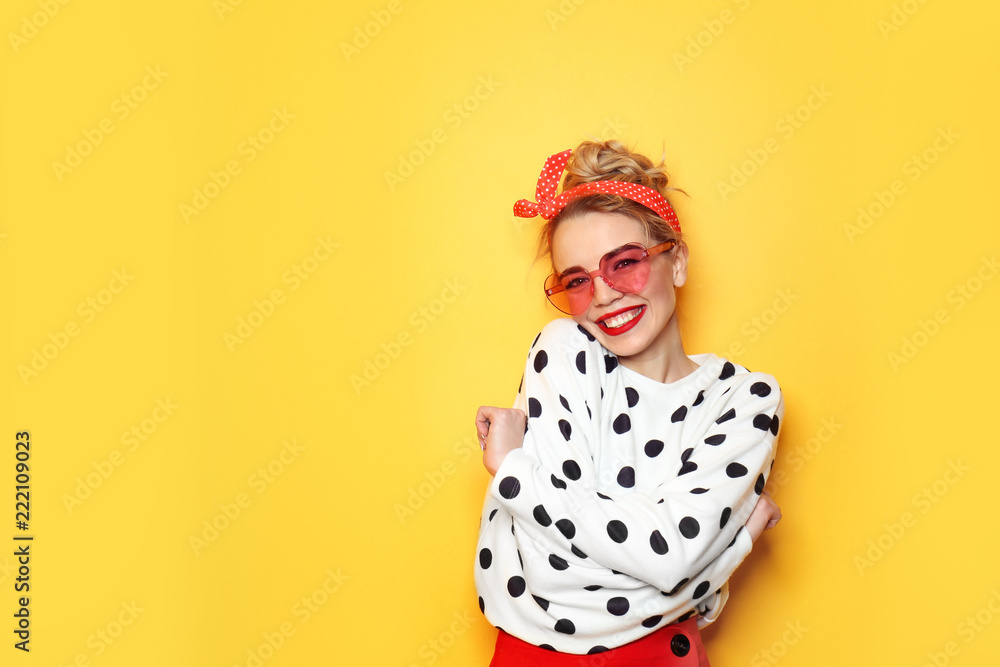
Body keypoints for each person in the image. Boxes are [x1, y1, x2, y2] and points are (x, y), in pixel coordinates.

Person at [473, 141, 784, 666]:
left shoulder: (745, 399)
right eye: (577, 280)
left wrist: (513, 473)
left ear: (677, 261)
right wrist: (729, 554)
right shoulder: (566, 352)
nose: (603, 295)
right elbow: (554, 578)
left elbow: (669, 559)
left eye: (625, 263)